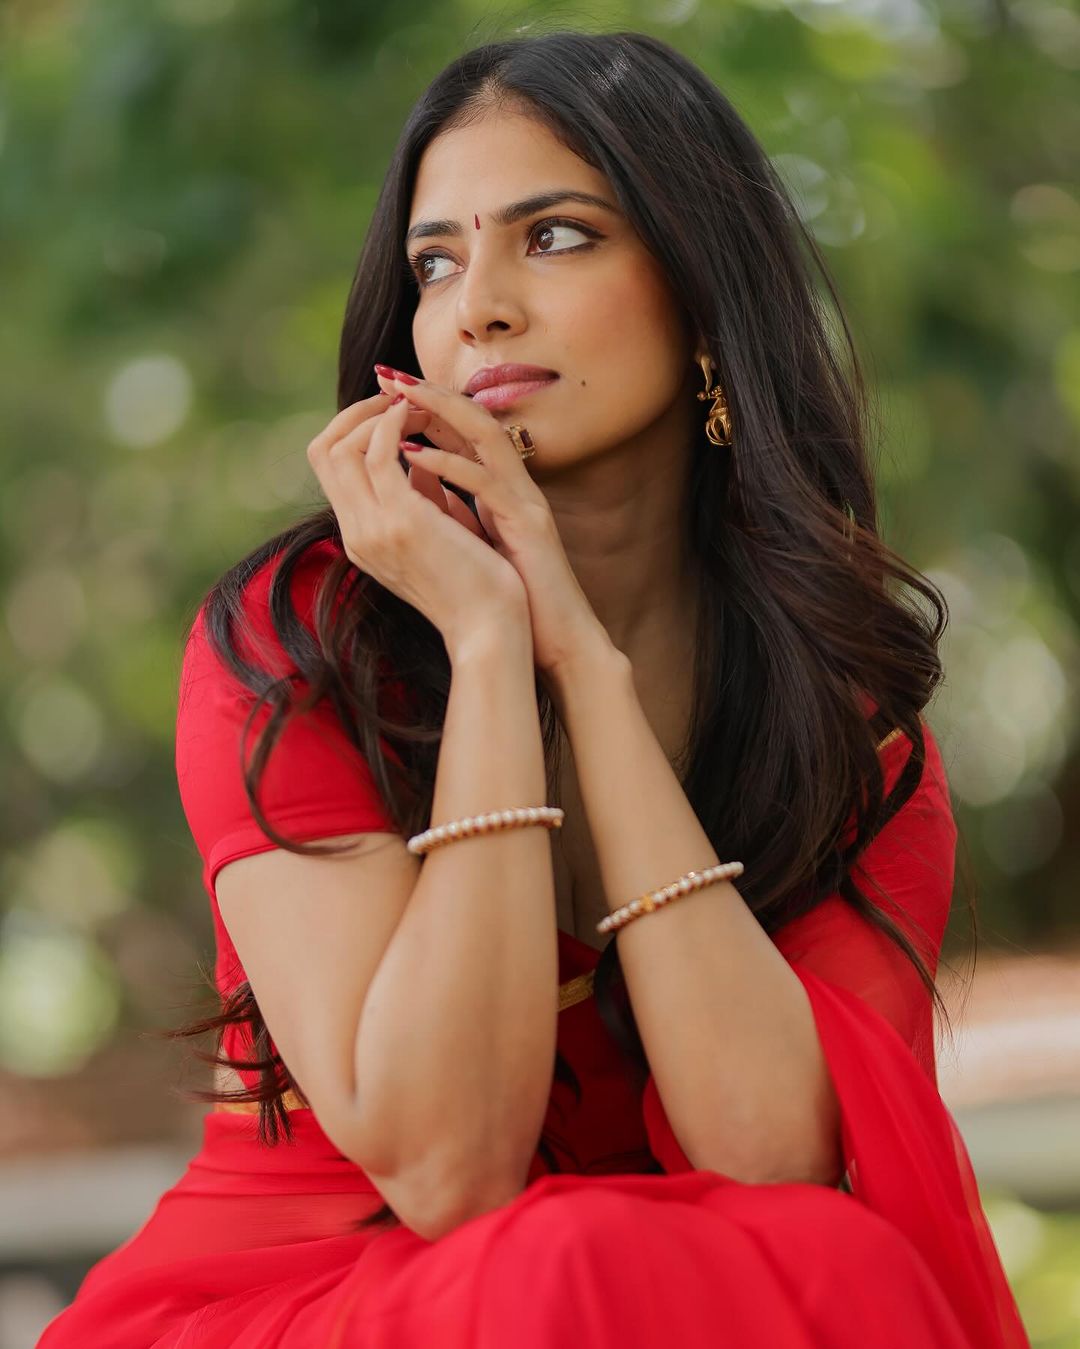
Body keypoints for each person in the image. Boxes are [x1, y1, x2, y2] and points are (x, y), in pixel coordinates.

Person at [38, 27, 1030, 1349]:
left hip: (657, 1302)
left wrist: (583, 660)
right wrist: (492, 648)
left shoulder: (843, 722)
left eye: (554, 236)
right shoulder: (294, 649)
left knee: (809, 1255)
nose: (477, 306)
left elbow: (771, 1159)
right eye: (436, 260)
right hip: (299, 1303)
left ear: (703, 299)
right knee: (570, 1253)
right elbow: (449, 1168)